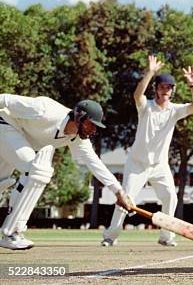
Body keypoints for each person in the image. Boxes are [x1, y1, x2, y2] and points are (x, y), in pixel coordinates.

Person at [0, 95, 132, 250]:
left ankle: (13, 233)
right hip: (5, 125)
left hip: (16, 138)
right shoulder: (45, 109)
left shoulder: (76, 138)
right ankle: (12, 233)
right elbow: (5, 99)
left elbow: (95, 163)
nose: (93, 130)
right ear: (79, 117)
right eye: (91, 124)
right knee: (36, 171)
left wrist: (119, 191)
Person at [101, 55, 193, 247]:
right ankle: (110, 236)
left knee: (170, 197)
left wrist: (192, 85)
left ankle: (166, 236)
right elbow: (137, 95)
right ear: (155, 88)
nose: (165, 91)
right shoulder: (146, 106)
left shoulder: (174, 110)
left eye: (169, 88)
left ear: (173, 91)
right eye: (162, 87)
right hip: (137, 163)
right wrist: (151, 72)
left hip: (159, 165)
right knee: (126, 199)